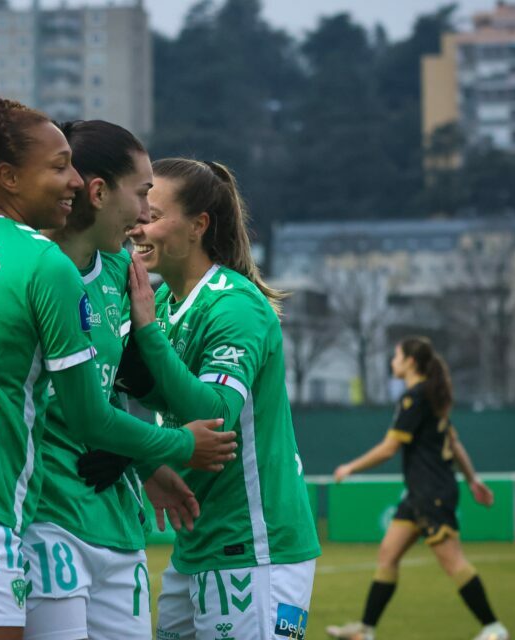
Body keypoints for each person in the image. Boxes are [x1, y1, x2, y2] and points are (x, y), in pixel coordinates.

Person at [0, 85, 237, 640]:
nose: (73, 181)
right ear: (10, 177)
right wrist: (181, 445)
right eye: (61, 166)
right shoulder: (42, 261)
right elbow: (89, 418)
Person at [117, 158, 320, 640]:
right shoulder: (163, 302)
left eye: (154, 214)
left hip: (254, 548)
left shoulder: (234, 303)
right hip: (197, 544)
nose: (138, 223)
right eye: (140, 208)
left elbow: (216, 414)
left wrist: (146, 333)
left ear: (198, 226)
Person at [22, 120, 196, 640]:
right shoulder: (25, 269)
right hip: (45, 519)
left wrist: (142, 462)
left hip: (118, 522)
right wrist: (176, 447)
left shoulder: (122, 271)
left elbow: (113, 389)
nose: (145, 215)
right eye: (142, 194)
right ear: (97, 193)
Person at [326, 337, 509, 640]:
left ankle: (494, 628)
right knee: (388, 555)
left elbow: (389, 448)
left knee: (453, 561)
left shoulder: (415, 397)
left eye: (396, 356)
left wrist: (350, 467)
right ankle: (365, 630)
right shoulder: (433, 395)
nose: (392, 361)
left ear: (411, 361)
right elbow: (454, 442)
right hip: (421, 492)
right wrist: (473, 480)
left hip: (431, 492)